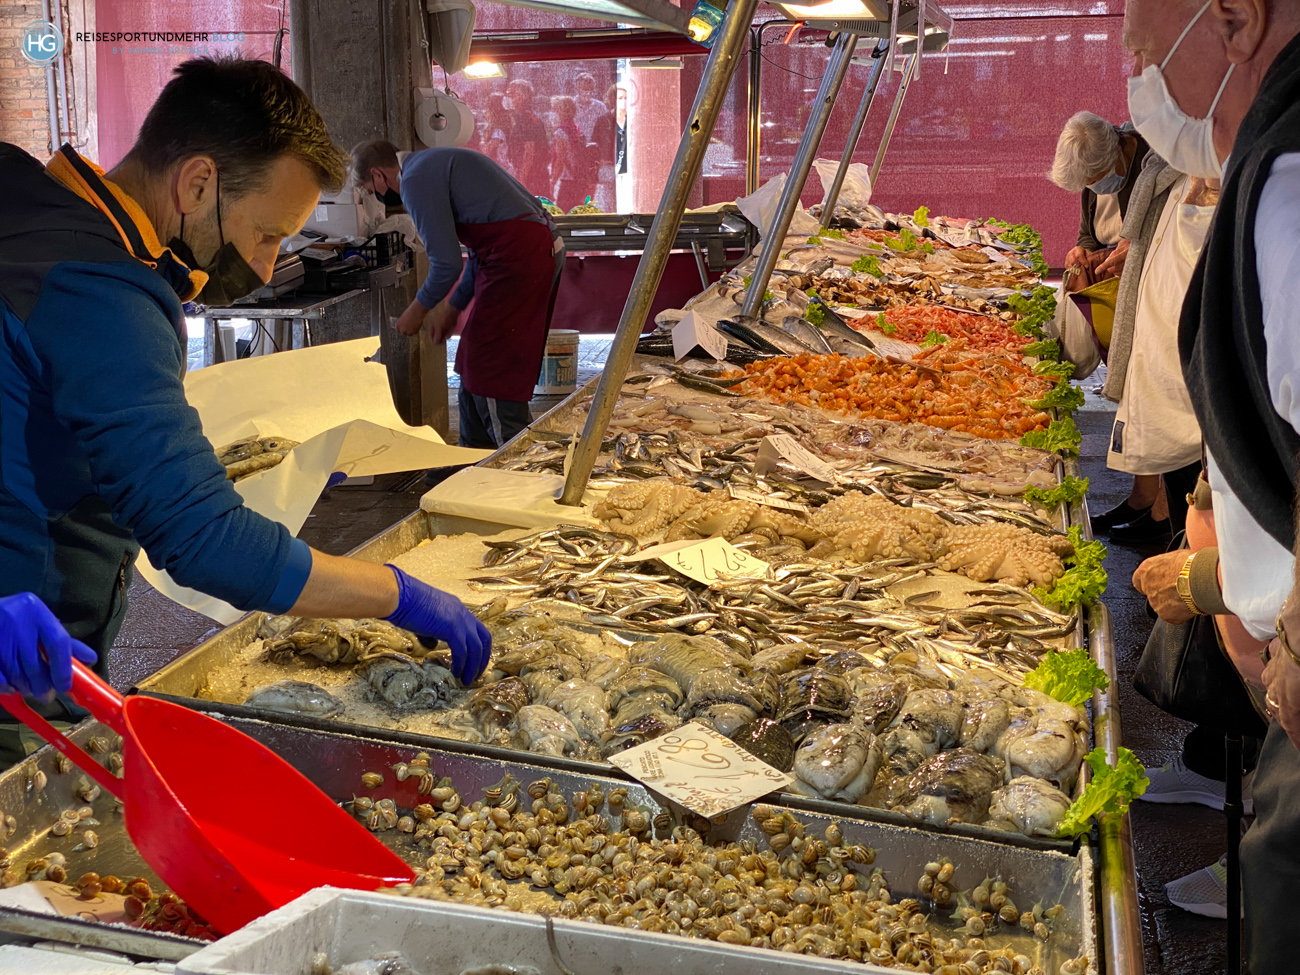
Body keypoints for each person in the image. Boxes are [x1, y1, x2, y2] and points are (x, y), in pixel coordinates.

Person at [0, 59, 492, 762]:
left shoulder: (22, 198)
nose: (265, 268)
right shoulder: (102, 290)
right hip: (21, 672)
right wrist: (397, 593)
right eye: (266, 234)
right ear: (197, 183)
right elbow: (205, 544)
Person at [1122, 0, 1300, 965]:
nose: (1138, 82)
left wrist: (1215, 588)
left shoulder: (1293, 181)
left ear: (1234, 21)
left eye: (1144, 56)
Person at [352, 141, 565, 450]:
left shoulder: (413, 181)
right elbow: (478, 251)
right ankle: (470, 460)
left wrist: (418, 309)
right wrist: (452, 307)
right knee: (471, 359)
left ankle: (518, 462)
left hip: (521, 256)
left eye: (369, 190)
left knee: (492, 365)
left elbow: (446, 264)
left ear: (378, 175)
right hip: (522, 251)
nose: (375, 196)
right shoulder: (430, 162)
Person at [1097, 158, 1217, 546]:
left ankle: (1191, 586)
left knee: (1202, 490)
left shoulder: (1227, 174)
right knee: (1179, 475)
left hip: (1193, 365)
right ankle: (1173, 546)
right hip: (1163, 347)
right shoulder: (1175, 169)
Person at [1049, 111, 1149, 293]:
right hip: (1106, 285)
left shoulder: (1151, 169)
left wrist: (1137, 255)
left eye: (1095, 181)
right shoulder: (1091, 165)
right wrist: (1082, 250)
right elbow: (1088, 234)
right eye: (1088, 185)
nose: (1094, 188)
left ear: (1117, 153)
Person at [549, 96, 595, 212]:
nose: (553, 112)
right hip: (579, 178)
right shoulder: (576, 128)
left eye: (555, 109)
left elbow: (561, 159)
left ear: (561, 111)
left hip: (568, 180)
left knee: (563, 215)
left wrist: (553, 182)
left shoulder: (561, 132)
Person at [506, 79, 549, 196]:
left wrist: (523, 178)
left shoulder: (526, 118)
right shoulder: (524, 116)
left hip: (532, 176)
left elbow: (529, 151)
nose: (510, 99)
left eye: (512, 95)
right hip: (535, 173)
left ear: (522, 96)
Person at [572, 72, 608, 141]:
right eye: (585, 89)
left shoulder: (600, 107)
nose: (588, 93)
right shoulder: (570, 105)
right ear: (577, 89)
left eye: (591, 90)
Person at [482, 92, 513, 172]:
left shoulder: (498, 132)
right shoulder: (505, 126)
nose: (485, 111)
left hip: (500, 171)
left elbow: (486, 151)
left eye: (487, 108)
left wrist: (478, 140)